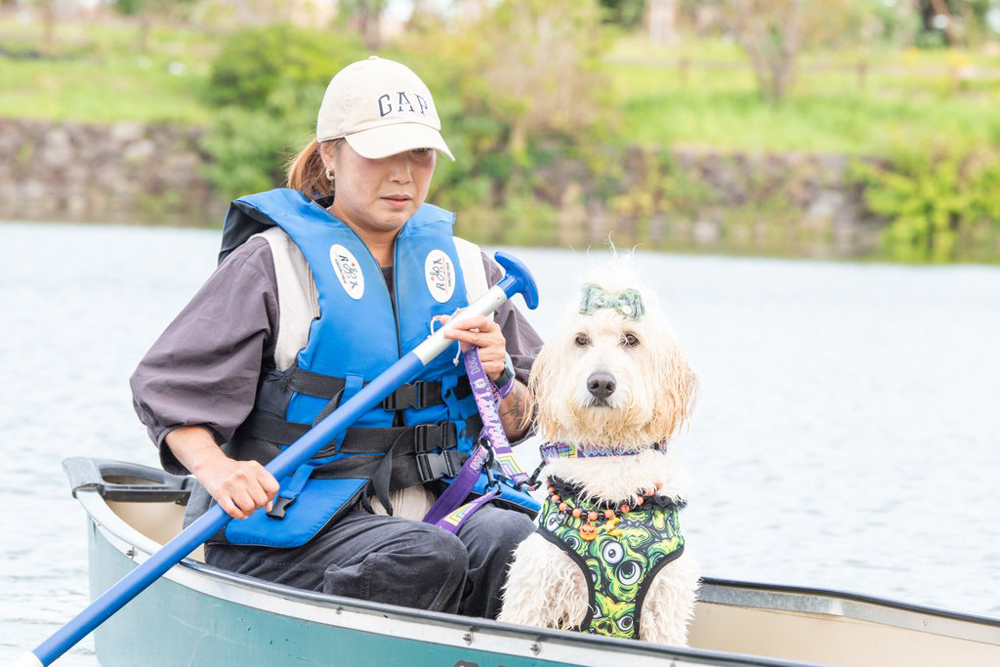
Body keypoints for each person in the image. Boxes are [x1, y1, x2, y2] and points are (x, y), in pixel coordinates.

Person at [130, 56, 543, 619]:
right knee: (425, 555)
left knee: (518, 542)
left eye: (419, 154)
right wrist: (220, 470)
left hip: (431, 514)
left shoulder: (474, 275)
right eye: (381, 153)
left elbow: (523, 421)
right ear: (331, 153)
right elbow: (169, 392)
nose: (403, 175)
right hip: (287, 531)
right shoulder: (270, 264)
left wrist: (499, 378)